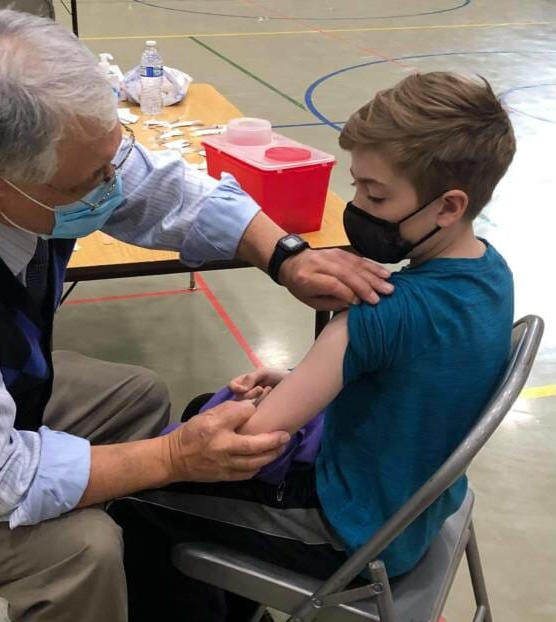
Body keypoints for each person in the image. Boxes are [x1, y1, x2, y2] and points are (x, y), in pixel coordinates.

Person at [0, 11, 390, 622]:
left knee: (138, 397)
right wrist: (175, 458)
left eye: (111, 160)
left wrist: (283, 256)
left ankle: (148, 592)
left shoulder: (6, 150)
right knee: (80, 553)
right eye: (91, 180)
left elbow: (150, 185)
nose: (113, 186)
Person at [110, 71, 517, 621]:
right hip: (416, 505)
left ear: (448, 206)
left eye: (375, 194)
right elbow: (423, 374)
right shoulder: (494, 272)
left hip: (351, 533)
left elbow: (249, 442)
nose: (358, 205)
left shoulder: (377, 312)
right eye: (357, 185)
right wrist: (306, 379)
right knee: (197, 409)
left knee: (133, 505)